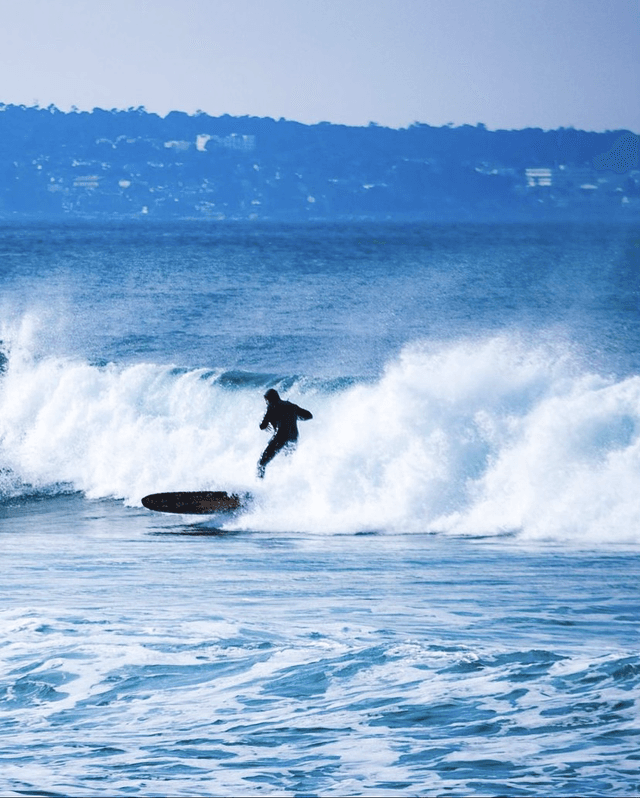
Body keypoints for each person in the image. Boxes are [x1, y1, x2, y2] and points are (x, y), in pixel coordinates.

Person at [257, 388, 312, 478]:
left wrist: (266, 420)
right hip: (293, 438)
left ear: (270, 399)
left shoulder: (271, 406)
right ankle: (287, 485)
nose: (266, 402)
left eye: (266, 400)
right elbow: (309, 415)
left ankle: (258, 485)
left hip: (280, 437)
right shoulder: (292, 406)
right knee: (287, 463)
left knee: (261, 463)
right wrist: (293, 417)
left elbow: (262, 426)